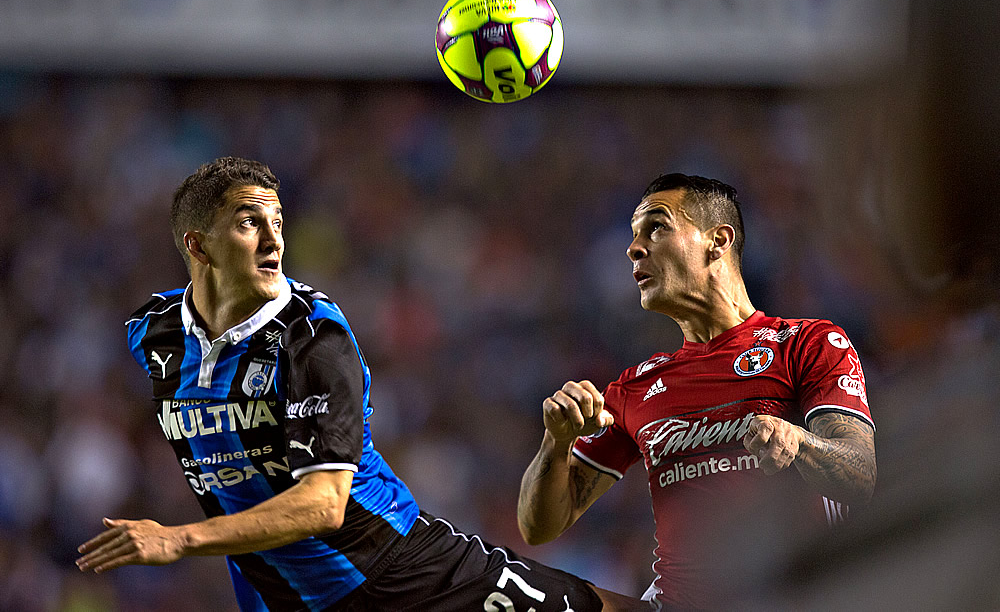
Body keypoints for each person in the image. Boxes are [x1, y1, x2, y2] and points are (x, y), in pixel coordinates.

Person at [75, 157, 647, 612]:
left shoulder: (313, 339)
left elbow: (324, 506)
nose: (274, 239)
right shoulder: (152, 332)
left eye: (278, 222)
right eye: (250, 223)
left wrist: (178, 539)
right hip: (282, 595)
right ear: (197, 246)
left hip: (398, 573)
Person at [517, 174, 877, 610]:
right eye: (634, 235)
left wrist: (799, 441)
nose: (634, 248)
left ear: (718, 240)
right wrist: (556, 441)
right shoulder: (634, 388)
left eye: (656, 227)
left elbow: (860, 476)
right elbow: (539, 528)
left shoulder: (808, 344)